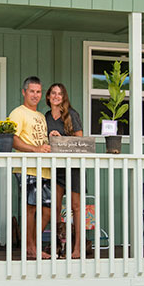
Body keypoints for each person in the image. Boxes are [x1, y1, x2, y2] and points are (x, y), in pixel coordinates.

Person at [8, 76, 52, 260]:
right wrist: (35, 149)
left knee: (47, 210)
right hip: (27, 168)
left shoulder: (41, 116)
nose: (35, 95)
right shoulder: (18, 113)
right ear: (24, 92)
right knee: (31, 209)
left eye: (38, 91)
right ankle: (30, 248)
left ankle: (32, 244)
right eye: (32, 91)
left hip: (44, 169)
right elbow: (12, 139)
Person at [45, 83, 84, 258]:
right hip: (56, 168)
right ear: (48, 96)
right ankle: (57, 246)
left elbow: (80, 141)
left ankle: (77, 248)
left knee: (76, 207)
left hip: (73, 166)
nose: (56, 96)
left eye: (59, 94)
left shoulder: (71, 115)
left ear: (63, 97)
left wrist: (61, 140)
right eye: (53, 93)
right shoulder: (46, 117)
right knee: (55, 207)